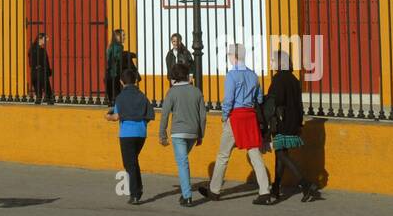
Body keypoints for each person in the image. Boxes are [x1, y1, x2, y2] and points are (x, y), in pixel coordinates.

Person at [199, 44, 275, 205]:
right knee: (255, 154)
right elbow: (259, 99)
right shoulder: (253, 75)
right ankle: (264, 191)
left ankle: (214, 190)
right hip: (250, 116)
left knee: (223, 155)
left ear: (234, 56)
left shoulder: (232, 75)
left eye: (229, 55)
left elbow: (228, 100)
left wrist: (225, 117)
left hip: (236, 117)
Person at [266, 50, 319, 202]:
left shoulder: (278, 80)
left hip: (281, 122)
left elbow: (276, 100)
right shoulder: (294, 80)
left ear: (279, 63)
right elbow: (299, 103)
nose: (271, 63)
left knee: (282, 154)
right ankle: (276, 188)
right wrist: (299, 123)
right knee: (280, 154)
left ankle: (305, 183)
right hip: (293, 121)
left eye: (273, 60)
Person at [158, 62, 206, 206]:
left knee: (182, 163)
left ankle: (187, 196)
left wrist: (162, 134)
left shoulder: (172, 92)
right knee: (183, 161)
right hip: (193, 132)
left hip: (178, 132)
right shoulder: (196, 91)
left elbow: (165, 114)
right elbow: (203, 116)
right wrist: (201, 134)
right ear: (186, 75)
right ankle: (185, 194)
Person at [106, 68, 154, 204]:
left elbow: (116, 117)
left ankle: (135, 194)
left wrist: (107, 117)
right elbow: (149, 115)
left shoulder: (121, 98)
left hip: (127, 134)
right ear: (135, 81)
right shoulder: (142, 96)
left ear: (121, 82)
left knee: (129, 164)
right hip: (141, 133)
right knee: (133, 162)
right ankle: (138, 189)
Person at [29, 33, 54, 104]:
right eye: (45, 38)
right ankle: (49, 99)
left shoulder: (31, 49)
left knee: (37, 86)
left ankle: (38, 98)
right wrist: (48, 71)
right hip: (41, 71)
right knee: (46, 86)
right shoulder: (41, 50)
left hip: (34, 72)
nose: (47, 40)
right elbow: (45, 62)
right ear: (40, 39)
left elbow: (30, 62)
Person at [105, 29, 127, 103]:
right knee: (117, 94)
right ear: (117, 36)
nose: (124, 37)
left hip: (109, 73)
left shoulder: (111, 46)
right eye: (123, 35)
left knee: (111, 95)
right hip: (115, 73)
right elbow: (115, 58)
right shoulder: (119, 46)